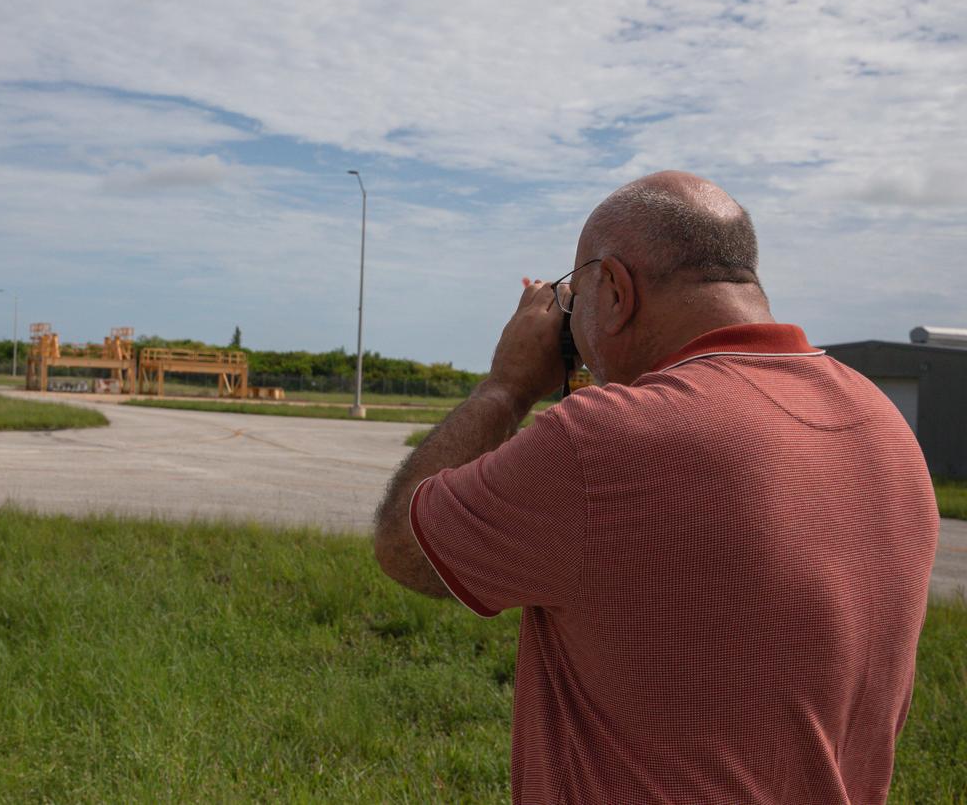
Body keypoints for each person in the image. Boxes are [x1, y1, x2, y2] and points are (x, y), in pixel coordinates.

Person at [373, 171, 940, 804]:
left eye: (578, 290)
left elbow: (404, 547)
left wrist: (505, 386)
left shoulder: (603, 442)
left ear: (615, 291)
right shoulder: (881, 422)